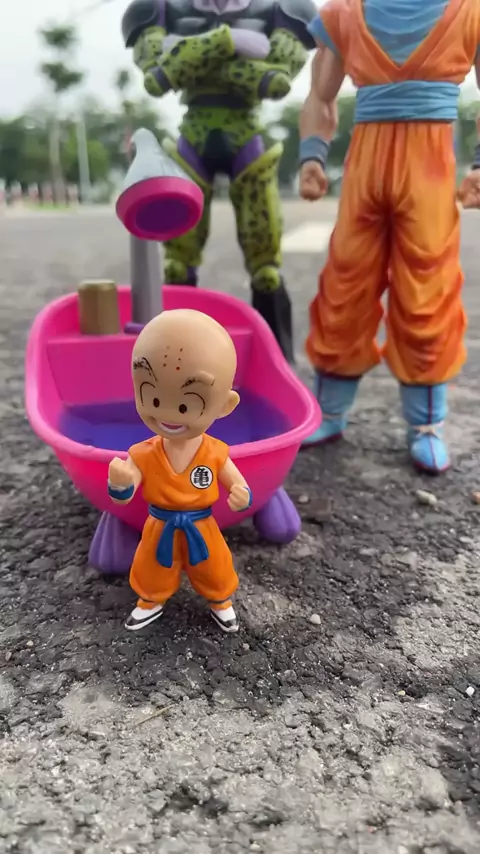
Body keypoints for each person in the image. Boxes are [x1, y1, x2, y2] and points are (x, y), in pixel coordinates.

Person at [298, 0, 480, 473]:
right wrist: (312, 154)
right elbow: (320, 96)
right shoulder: (344, 13)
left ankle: (426, 424)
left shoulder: (469, 12)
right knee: (345, 282)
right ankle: (329, 410)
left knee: (427, 289)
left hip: (430, 163)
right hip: (366, 164)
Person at [121, 0, 317, 363]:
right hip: (194, 135)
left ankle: (276, 360)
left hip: (245, 132)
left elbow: (276, 82)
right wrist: (229, 41)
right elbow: (156, 79)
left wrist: (188, 51)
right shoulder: (159, 8)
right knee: (177, 263)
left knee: (266, 267)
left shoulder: (282, 8)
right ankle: (173, 358)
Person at [107, 309, 252, 634]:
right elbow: (124, 495)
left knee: (214, 566)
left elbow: (238, 484)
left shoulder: (215, 452)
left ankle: (220, 600)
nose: (169, 414)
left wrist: (242, 495)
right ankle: (150, 599)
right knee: (151, 566)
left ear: (225, 406)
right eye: (153, 398)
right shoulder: (142, 453)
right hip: (160, 524)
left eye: (186, 405)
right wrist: (120, 484)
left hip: (202, 524)